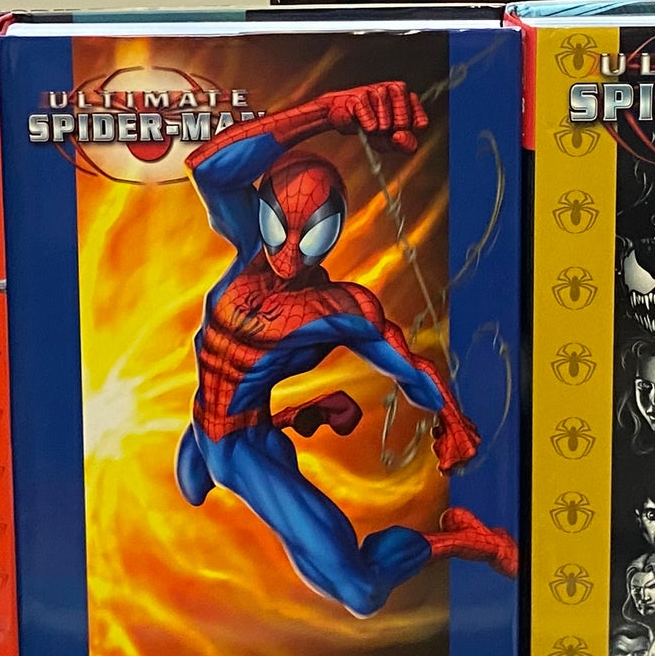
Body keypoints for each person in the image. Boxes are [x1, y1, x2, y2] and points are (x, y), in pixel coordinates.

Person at [172, 82, 517, 615]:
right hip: (205, 427)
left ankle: (469, 541)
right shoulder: (248, 251)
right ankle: (285, 420)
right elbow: (207, 169)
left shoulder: (334, 309)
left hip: (242, 450)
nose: (289, 255)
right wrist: (326, 112)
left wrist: (452, 419)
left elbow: (408, 366)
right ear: (262, 212)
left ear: (331, 232)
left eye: (310, 236)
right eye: (279, 228)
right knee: (191, 487)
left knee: (359, 589)